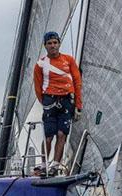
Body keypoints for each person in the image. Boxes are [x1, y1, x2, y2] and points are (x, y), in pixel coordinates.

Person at [33, 31, 83, 176]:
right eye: (50, 43)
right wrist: (46, 103)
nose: (53, 46)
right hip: (50, 100)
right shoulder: (40, 64)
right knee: (48, 135)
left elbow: (77, 82)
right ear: (45, 46)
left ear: (59, 44)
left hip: (67, 100)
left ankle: (55, 164)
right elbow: (37, 87)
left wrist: (78, 106)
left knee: (62, 134)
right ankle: (44, 164)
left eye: (55, 43)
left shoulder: (69, 60)